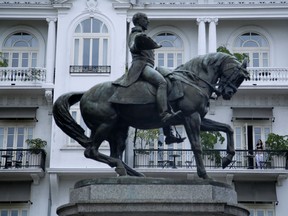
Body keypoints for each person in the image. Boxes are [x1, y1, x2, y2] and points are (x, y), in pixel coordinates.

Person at [115, 12, 185, 144]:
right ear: (138, 21)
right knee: (162, 83)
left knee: (170, 84)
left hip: (149, 66)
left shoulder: (142, 34)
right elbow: (132, 46)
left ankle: (168, 134)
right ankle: (164, 115)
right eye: (145, 19)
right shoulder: (135, 34)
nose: (147, 21)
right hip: (141, 66)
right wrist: (140, 42)